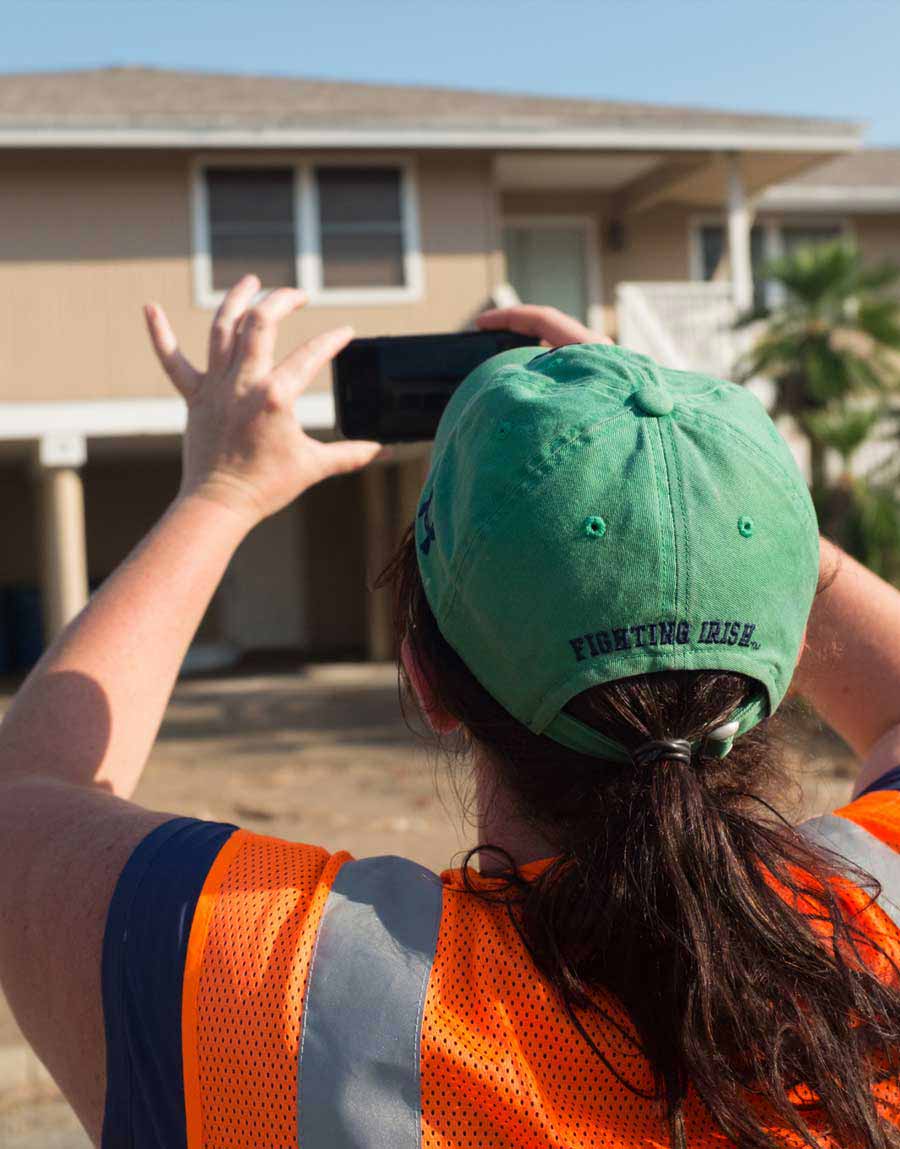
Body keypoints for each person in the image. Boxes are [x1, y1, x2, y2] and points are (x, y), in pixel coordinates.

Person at [0, 278, 899, 1149]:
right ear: (776, 673)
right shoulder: (876, 922)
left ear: (425, 678)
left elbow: (24, 794)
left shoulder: (270, 990)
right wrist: (709, 483)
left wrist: (222, 492)